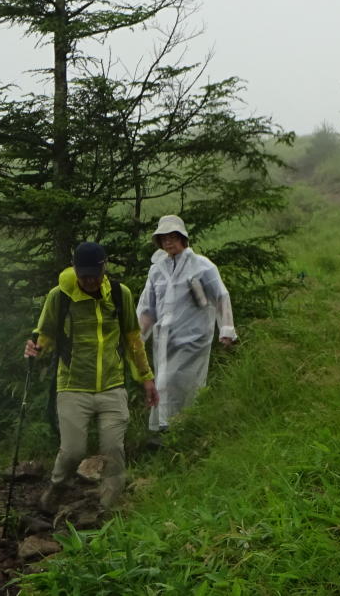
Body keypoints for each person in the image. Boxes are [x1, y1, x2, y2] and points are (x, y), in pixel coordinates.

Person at [24, 241, 157, 512]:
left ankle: (107, 509)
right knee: (72, 451)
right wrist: (35, 348)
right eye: (83, 275)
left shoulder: (120, 294)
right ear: (74, 269)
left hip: (112, 385)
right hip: (73, 386)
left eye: (94, 275)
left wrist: (146, 378)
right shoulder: (60, 296)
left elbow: (133, 339)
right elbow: (45, 333)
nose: (89, 280)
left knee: (113, 450)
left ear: (103, 268)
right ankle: (57, 487)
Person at [136, 215, 237, 438]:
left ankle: (180, 429)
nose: (168, 242)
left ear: (182, 238)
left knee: (181, 383)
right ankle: (166, 431)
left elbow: (221, 296)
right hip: (165, 341)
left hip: (192, 337)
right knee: (163, 381)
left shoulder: (201, 266)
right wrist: (137, 339)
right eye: (164, 238)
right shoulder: (157, 271)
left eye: (172, 237)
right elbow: (147, 308)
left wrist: (227, 330)